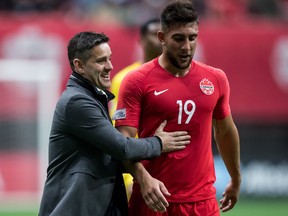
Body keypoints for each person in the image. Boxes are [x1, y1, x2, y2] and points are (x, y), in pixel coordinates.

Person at [38, 31, 191, 216]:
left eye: (109, 59)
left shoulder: (92, 98)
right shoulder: (77, 102)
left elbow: (107, 157)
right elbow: (122, 147)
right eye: (101, 61)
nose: (110, 66)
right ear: (79, 66)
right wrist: (158, 143)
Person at [114, 1, 241, 215]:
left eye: (192, 38)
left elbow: (225, 131)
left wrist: (235, 178)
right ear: (162, 38)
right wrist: (143, 179)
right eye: (179, 39)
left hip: (203, 203)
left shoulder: (215, 79)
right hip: (153, 199)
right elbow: (122, 142)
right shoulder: (136, 81)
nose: (187, 47)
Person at [110, 18, 162, 201]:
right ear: (140, 40)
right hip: (135, 163)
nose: (158, 40)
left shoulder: (177, 78)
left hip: (165, 162)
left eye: (161, 35)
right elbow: (118, 127)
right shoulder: (124, 78)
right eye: (153, 34)